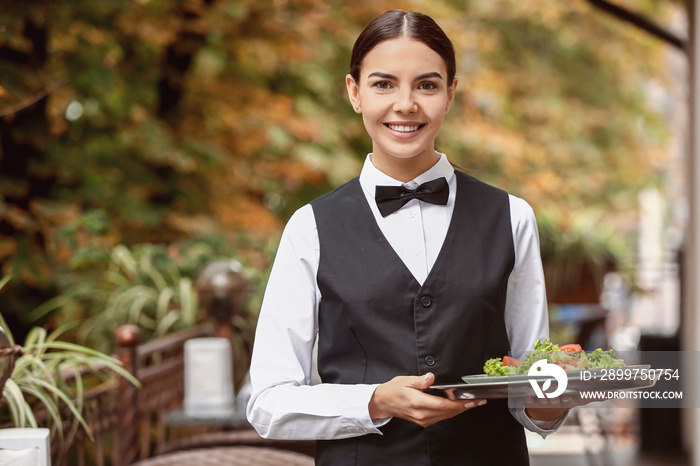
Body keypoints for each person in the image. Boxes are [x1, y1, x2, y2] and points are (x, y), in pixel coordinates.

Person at [247, 9, 570, 465]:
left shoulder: (512, 217)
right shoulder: (309, 226)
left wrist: (557, 394)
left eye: (427, 84)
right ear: (354, 92)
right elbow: (268, 402)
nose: (406, 104)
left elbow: (529, 390)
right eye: (383, 84)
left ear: (450, 94)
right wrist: (375, 401)